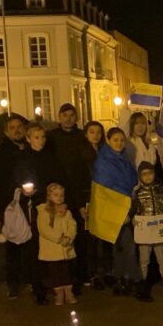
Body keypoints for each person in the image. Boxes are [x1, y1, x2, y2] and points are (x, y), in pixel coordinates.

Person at [14, 123, 66, 304]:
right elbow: (19, 180)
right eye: (36, 137)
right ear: (28, 139)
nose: (41, 141)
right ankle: (38, 288)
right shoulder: (23, 158)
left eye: (43, 137)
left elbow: (59, 178)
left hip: (50, 205)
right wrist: (25, 190)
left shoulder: (50, 157)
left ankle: (54, 283)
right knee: (34, 247)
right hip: (34, 207)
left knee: (51, 245)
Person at [47, 103, 92, 291]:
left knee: (80, 236)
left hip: (79, 193)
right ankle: (64, 278)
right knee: (60, 235)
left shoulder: (82, 136)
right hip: (59, 194)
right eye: (64, 115)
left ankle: (82, 274)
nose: (68, 118)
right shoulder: (52, 137)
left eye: (72, 115)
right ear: (59, 116)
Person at [97, 128, 145, 300]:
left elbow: (130, 179)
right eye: (115, 139)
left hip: (126, 205)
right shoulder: (104, 161)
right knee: (127, 246)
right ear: (108, 140)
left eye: (122, 140)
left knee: (121, 247)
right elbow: (106, 185)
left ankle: (122, 279)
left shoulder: (123, 158)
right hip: (115, 207)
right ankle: (135, 280)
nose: (119, 143)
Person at [0, 113, 30, 299]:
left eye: (19, 126)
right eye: (12, 128)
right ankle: (13, 282)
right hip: (10, 204)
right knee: (13, 243)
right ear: (6, 132)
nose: (17, 130)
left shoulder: (30, 149)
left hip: (29, 202)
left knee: (30, 241)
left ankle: (29, 276)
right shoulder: (0, 155)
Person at [133, 161, 163, 297]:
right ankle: (143, 282)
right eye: (144, 174)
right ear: (140, 176)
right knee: (144, 258)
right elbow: (134, 210)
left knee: (162, 256)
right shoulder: (137, 193)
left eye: (150, 173)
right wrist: (134, 219)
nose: (147, 177)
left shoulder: (162, 190)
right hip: (144, 231)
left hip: (159, 231)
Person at [80, 121, 113, 289]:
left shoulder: (106, 152)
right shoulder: (81, 154)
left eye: (98, 132)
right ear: (86, 134)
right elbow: (77, 179)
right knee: (91, 240)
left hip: (106, 198)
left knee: (106, 238)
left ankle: (108, 271)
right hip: (90, 198)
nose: (95, 135)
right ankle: (92, 274)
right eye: (92, 132)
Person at [37, 183, 78, 305]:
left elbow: (72, 225)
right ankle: (59, 293)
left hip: (65, 247)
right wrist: (59, 238)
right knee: (55, 273)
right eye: (55, 195)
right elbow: (44, 229)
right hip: (52, 249)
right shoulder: (44, 211)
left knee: (66, 271)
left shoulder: (67, 212)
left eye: (61, 195)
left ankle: (69, 293)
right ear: (49, 196)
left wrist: (69, 237)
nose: (59, 197)